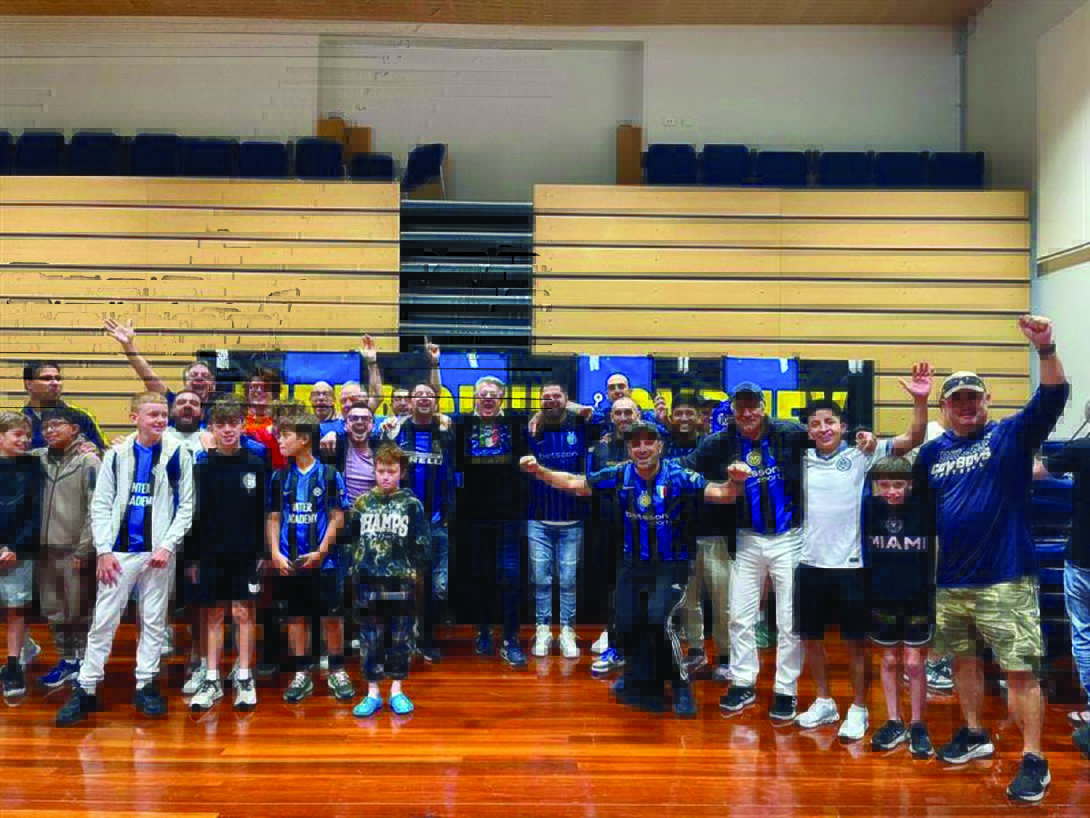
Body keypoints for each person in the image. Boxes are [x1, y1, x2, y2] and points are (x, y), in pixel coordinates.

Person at [913, 315, 1069, 803]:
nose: (966, 406)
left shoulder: (1010, 436)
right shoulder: (931, 454)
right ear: (944, 407)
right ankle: (975, 733)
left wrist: (1045, 348)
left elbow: (1053, 397)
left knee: (1020, 670)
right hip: (951, 580)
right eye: (956, 399)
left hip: (1006, 577)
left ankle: (1034, 759)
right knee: (963, 663)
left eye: (973, 398)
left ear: (987, 401)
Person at [521, 422, 747, 717]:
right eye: (635, 443)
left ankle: (680, 685)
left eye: (648, 442)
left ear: (660, 446)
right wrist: (538, 471)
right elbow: (577, 484)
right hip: (634, 564)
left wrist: (736, 482)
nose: (642, 448)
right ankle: (640, 681)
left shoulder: (678, 475)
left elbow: (722, 494)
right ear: (628, 448)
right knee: (627, 623)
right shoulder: (620, 474)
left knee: (658, 621)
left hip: (672, 564)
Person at [794, 363, 931, 737]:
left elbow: (913, 437)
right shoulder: (800, 460)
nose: (823, 429)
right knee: (811, 640)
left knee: (856, 644)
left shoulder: (862, 453)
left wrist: (920, 401)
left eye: (829, 422)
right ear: (808, 431)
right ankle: (824, 701)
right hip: (809, 562)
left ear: (842, 426)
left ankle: (858, 708)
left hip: (851, 566)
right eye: (815, 424)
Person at [56, 392, 195, 726]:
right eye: (152, 414)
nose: (160, 420)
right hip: (120, 551)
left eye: (163, 414)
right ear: (134, 418)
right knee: (104, 619)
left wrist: (168, 545)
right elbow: (101, 504)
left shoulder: (179, 453)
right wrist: (104, 550)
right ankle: (86, 687)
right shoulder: (117, 454)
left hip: (159, 552)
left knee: (154, 620)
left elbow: (186, 505)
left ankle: (145, 684)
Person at [681, 381, 809, 721]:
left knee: (789, 620)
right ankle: (742, 682)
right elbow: (684, 466)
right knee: (739, 615)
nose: (747, 412)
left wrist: (865, 441)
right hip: (746, 539)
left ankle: (785, 689)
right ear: (733, 411)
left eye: (753, 405)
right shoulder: (719, 442)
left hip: (789, 537)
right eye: (741, 407)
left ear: (764, 407)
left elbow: (829, 442)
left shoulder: (790, 432)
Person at [185, 399, 268, 713]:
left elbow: (264, 512)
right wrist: (192, 557)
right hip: (210, 552)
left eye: (233, 424)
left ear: (242, 426)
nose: (228, 430)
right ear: (212, 429)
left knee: (243, 612)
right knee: (214, 614)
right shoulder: (201, 467)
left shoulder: (256, 464)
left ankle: (244, 676)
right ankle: (211, 678)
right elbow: (193, 515)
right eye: (221, 425)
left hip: (246, 553)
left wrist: (263, 551)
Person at [267, 414, 353, 704]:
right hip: (289, 561)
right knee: (295, 617)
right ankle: (301, 672)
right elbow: (273, 518)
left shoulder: (329, 475)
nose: (280, 441)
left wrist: (321, 552)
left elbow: (337, 516)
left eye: (285, 435)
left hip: (324, 561)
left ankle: (337, 669)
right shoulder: (279, 476)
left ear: (304, 439)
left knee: (332, 616)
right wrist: (275, 553)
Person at [347, 444, 432, 717]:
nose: (385, 476)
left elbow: (422, 544)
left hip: (400, 581)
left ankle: (397, 689)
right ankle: (372, 692)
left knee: (400, 637)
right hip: (368, 580)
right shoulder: (362, 503)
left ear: (401, 472)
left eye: (391, 471)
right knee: (369, 638)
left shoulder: (411, 505)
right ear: (374, 471)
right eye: (381, 470)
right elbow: (352, 541)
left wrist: (414, 574)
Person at [864, 455, 937, 759]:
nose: (892, 491)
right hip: (882, 596)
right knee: (890, 660)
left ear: (910, 484)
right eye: (885, 485)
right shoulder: (869, 507)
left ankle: (918, 724)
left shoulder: (924, 506)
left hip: (918, 595)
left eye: (898, 484)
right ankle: (894, 720)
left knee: (914, 663)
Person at [455, 376, 528, 668]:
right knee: (480, 576)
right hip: (473, 516)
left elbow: (557, 408)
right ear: (475, 397)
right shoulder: (460, 424)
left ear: (502, 398)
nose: (487, 398)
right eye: (482, 394)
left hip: (508, 516)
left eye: (493, 395)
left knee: (510, 577)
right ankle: (483, 631)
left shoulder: (516, 423)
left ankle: (510, 639)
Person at [383, 382, 456, 664]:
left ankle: (426, 638)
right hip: (402, 523)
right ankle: (401, 640)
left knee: (437, 588)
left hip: (437, 522)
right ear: (409, 402)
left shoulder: (447, 431)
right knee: (402, 584)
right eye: (418, 395)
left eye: (429, 395)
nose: (424, 398)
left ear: (436, 402)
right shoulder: (395, 430)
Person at [32, 408, 100, 689]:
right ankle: (67, 660)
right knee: (54, 611)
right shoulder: (38, 459)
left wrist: (85, 549)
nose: (49, 431)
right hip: (45, 550)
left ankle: (86, 663)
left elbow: (97, 509)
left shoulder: (88, 460)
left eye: (57, 425)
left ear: (74, 429)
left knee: (80, 610)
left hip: (75, 550)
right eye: (45, 427)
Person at [1033, 419, 1090, 756]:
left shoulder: (1084, 447)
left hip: (1083, 558)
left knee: (1084, 634)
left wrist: (1023, 445)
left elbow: (1035, 472)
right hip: (1081, 556)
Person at [526, 381, 593, 660]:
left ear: (567, 398)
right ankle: (543, 630)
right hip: (538, 519)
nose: (551, 401)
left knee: (568, 580)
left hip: (572, 520)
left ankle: (567, 630)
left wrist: (569, 406)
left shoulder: (580, 426)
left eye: (557, 396)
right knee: (541, 579)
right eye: (546, 398)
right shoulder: (532, 429)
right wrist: (539, 412)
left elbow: (597, 413)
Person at [665, 391, 729, 680]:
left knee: (722, 601)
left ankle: (726, 656)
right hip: (680, 536)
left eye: (689, 413)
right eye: (678, 413)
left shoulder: (713, 445)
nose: (684, 418)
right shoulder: (663, 445)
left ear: (701, 417)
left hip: (716, 534)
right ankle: (696, 651)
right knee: (689, 601)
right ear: (671, 417)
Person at [587, 396, 639, 675]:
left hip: (643, 528)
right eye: (618, 413)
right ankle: (613, 638)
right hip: (608, 527)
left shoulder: (648, 444)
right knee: (611, 587)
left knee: (641, 588)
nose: (623, 418)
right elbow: (592, 480)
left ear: (637, 414)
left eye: (628, 412)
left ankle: (638, 643)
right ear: (611, 417)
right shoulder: (601, 448)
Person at [0, 411, 43, 700]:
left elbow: (35, 513)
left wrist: (14, 547)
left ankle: (14, 664)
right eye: (17, 434)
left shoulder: (33, 466)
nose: (24, 440)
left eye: (27, 435)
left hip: (19, 551)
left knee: (15, 608)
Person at [103, 318, 221, 420]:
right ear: (185, 383)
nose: (199, 378)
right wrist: (128, 346)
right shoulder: (171, 402)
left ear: (213, 384)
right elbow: (147, 375)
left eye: (205, 376)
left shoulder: (221, 410)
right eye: (194, 375)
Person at [22, 361, 107, 451]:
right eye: (47, 379)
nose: (55, 383)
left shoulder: (81, 417)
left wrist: (96, 450)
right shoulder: (19, 421)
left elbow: (104, 451)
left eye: (58, 379)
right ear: (29, 384)